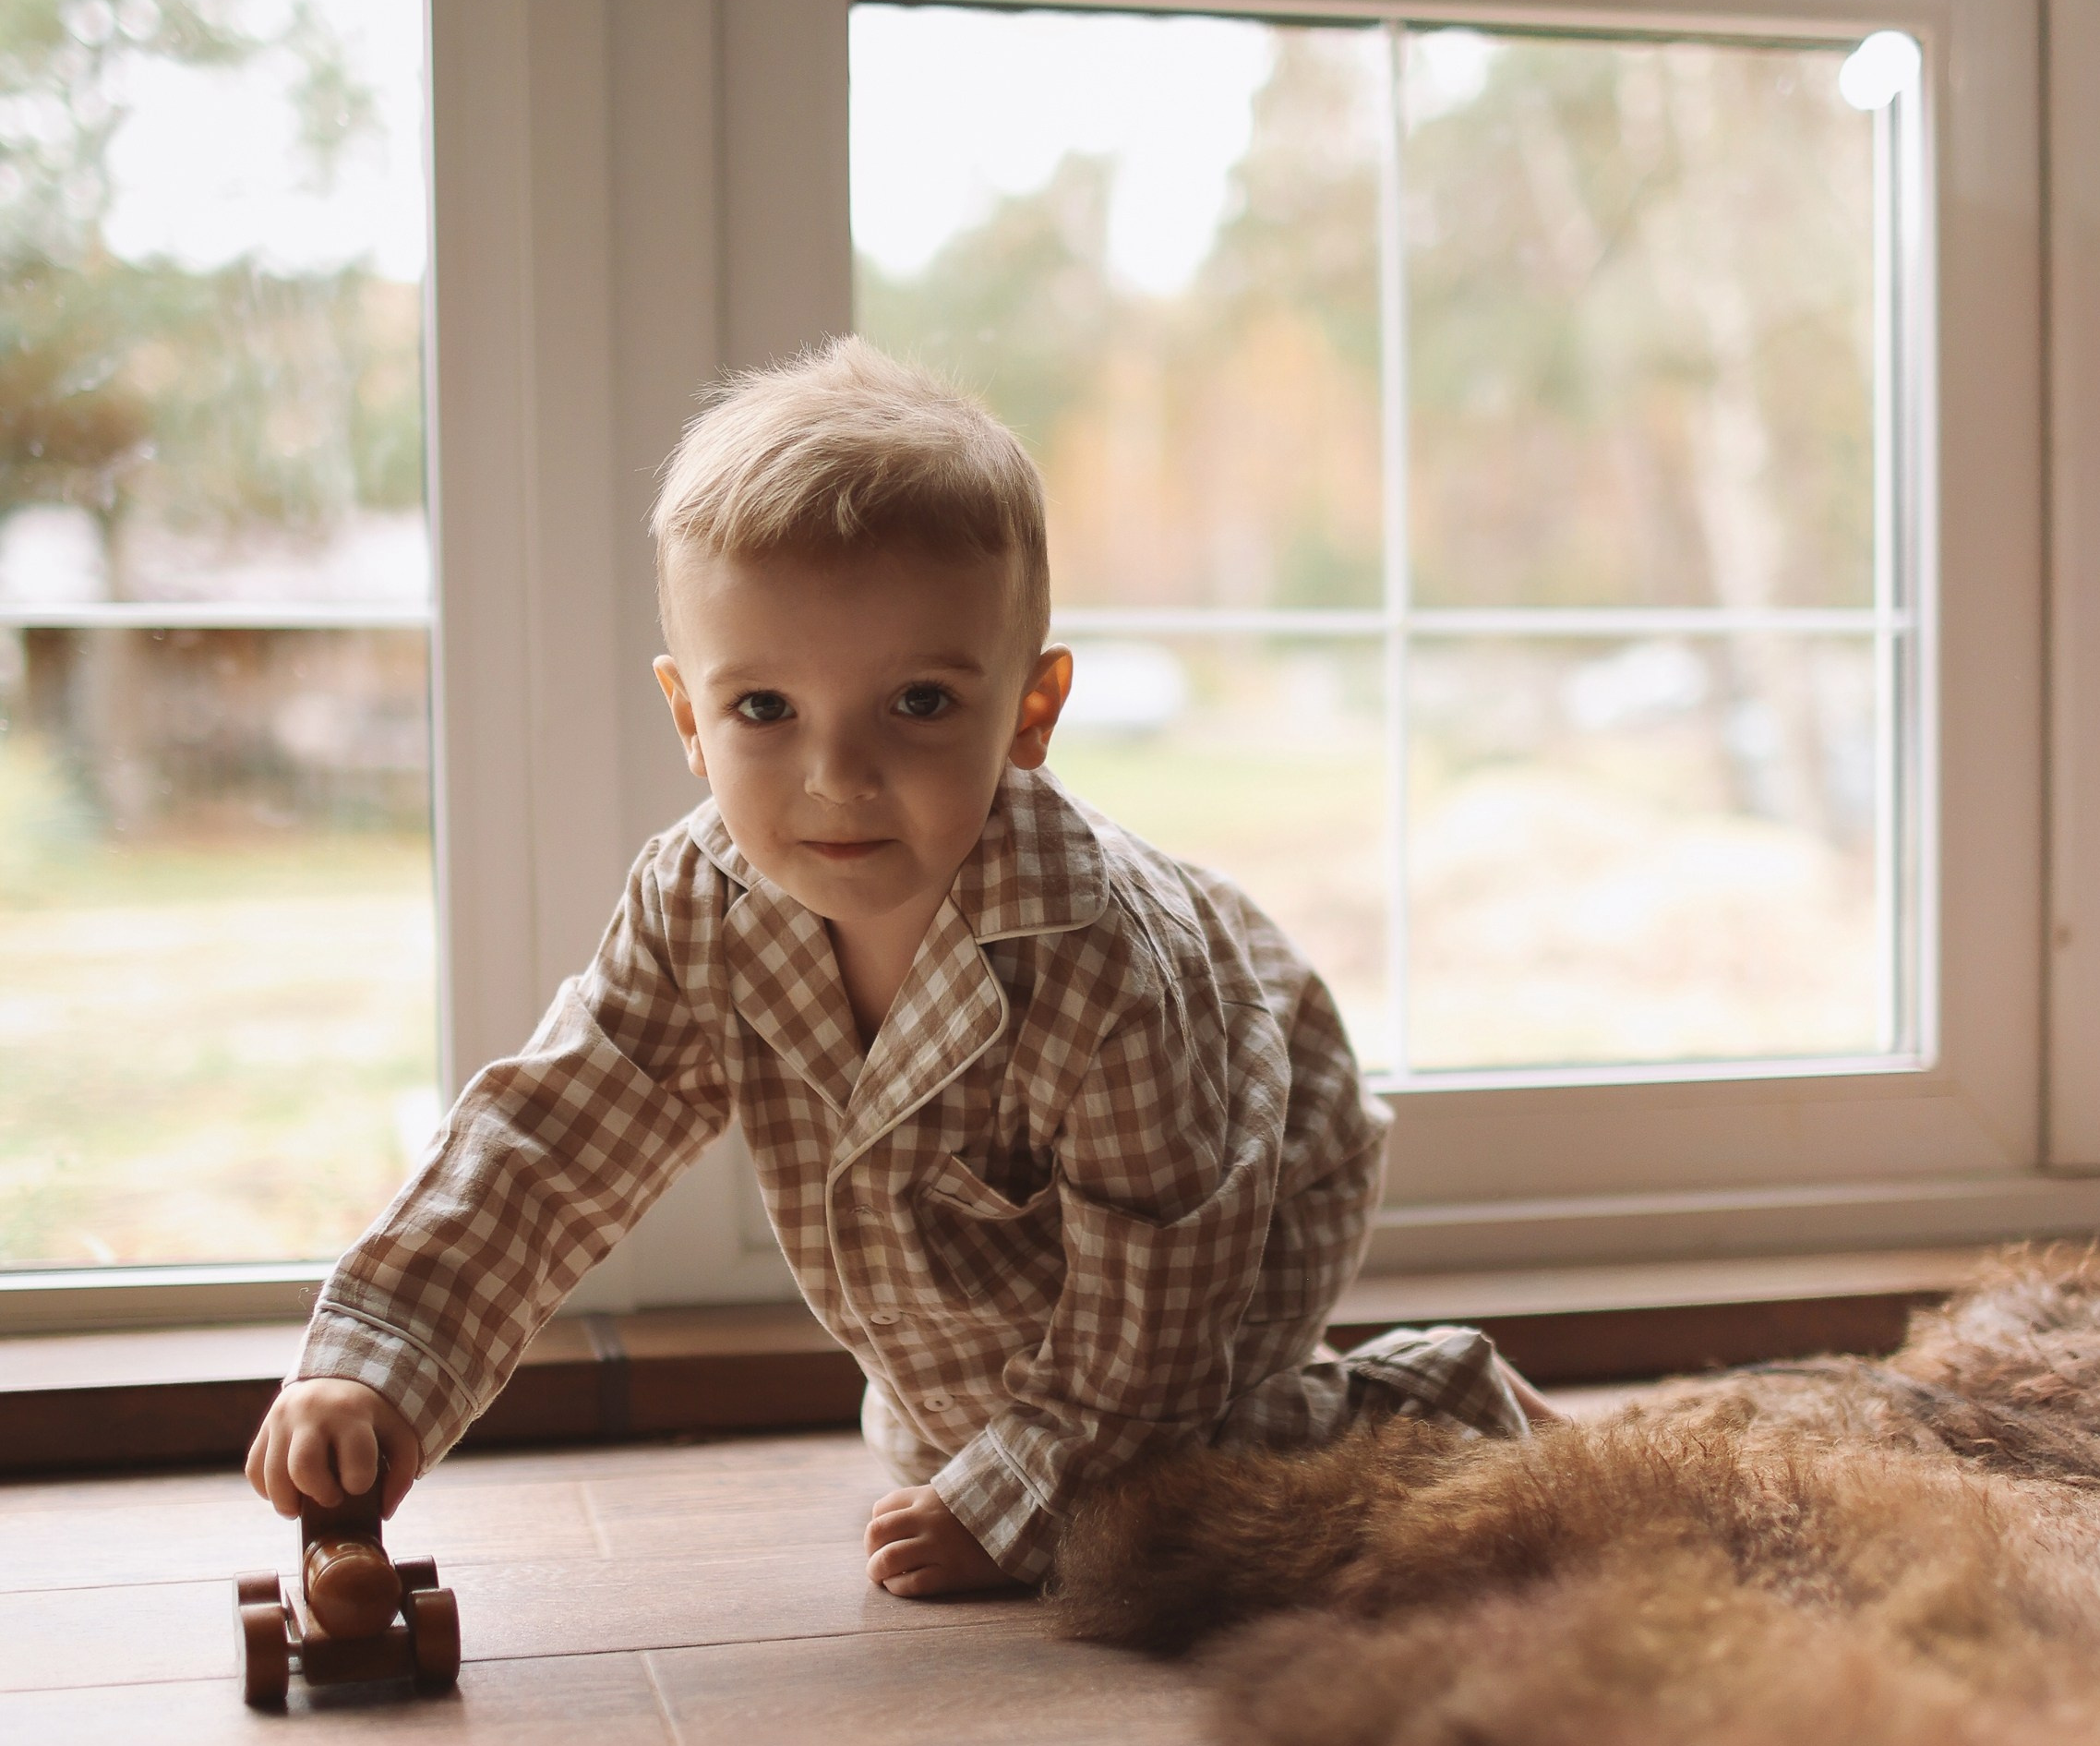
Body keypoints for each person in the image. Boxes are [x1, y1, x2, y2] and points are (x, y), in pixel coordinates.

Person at [247, 339, 1549, 1598]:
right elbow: (549, 1143)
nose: (837, 776)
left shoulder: (1103, 965)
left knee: (1144, 1498)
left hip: (1238, 1193)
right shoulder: (699, 908)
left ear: (1028, 712)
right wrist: (383, 1360)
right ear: (690, 719)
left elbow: (1155, 1318)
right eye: (765, 710)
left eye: (917, 703)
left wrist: (1019, 1499)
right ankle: (1026, 1444)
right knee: (941, 1451)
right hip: (976, 1279)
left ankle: (1418, 1397)